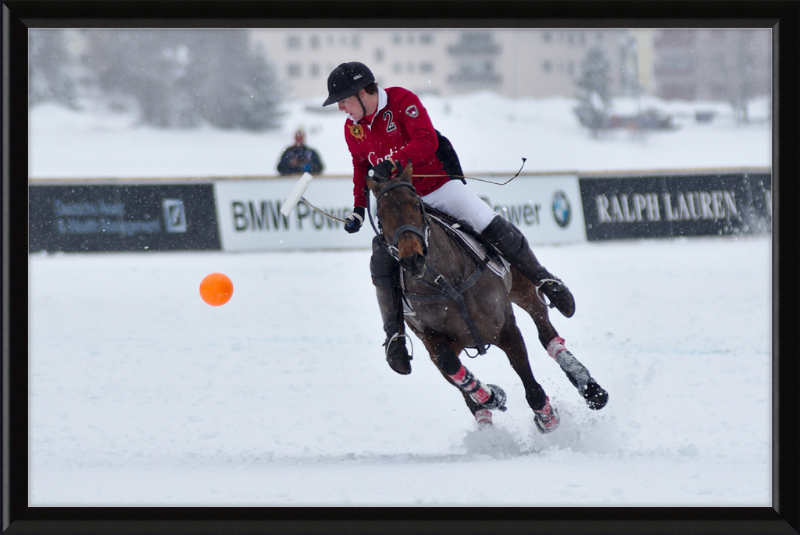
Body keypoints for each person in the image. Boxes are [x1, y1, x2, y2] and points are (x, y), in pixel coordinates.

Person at [323, 61, 575, 376]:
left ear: (362, 93)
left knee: (485, 220)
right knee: (381, 259)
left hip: (438, 189)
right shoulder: (353, 128)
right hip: (402, 208)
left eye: (343, 100)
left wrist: (393, 161)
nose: (341, 109)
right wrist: (359, 209)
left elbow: (426, 140)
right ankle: (395, 338)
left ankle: (545, 280)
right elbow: (360, 165)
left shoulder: (402, 101)